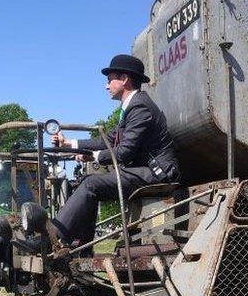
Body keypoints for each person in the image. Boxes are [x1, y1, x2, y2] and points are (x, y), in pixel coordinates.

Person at [50, 54, 180, 246]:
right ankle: (81, 245)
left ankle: (52, 238)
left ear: (125, 79)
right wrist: (69, 144)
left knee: (91, 184)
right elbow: (109, 140)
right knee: (88, 182)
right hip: (146, 170)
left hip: (158, 172)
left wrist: (93, 157)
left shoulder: (140, 107)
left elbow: (125, 151)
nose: (106, 86)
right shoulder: (130, 108)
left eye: (110, 80)